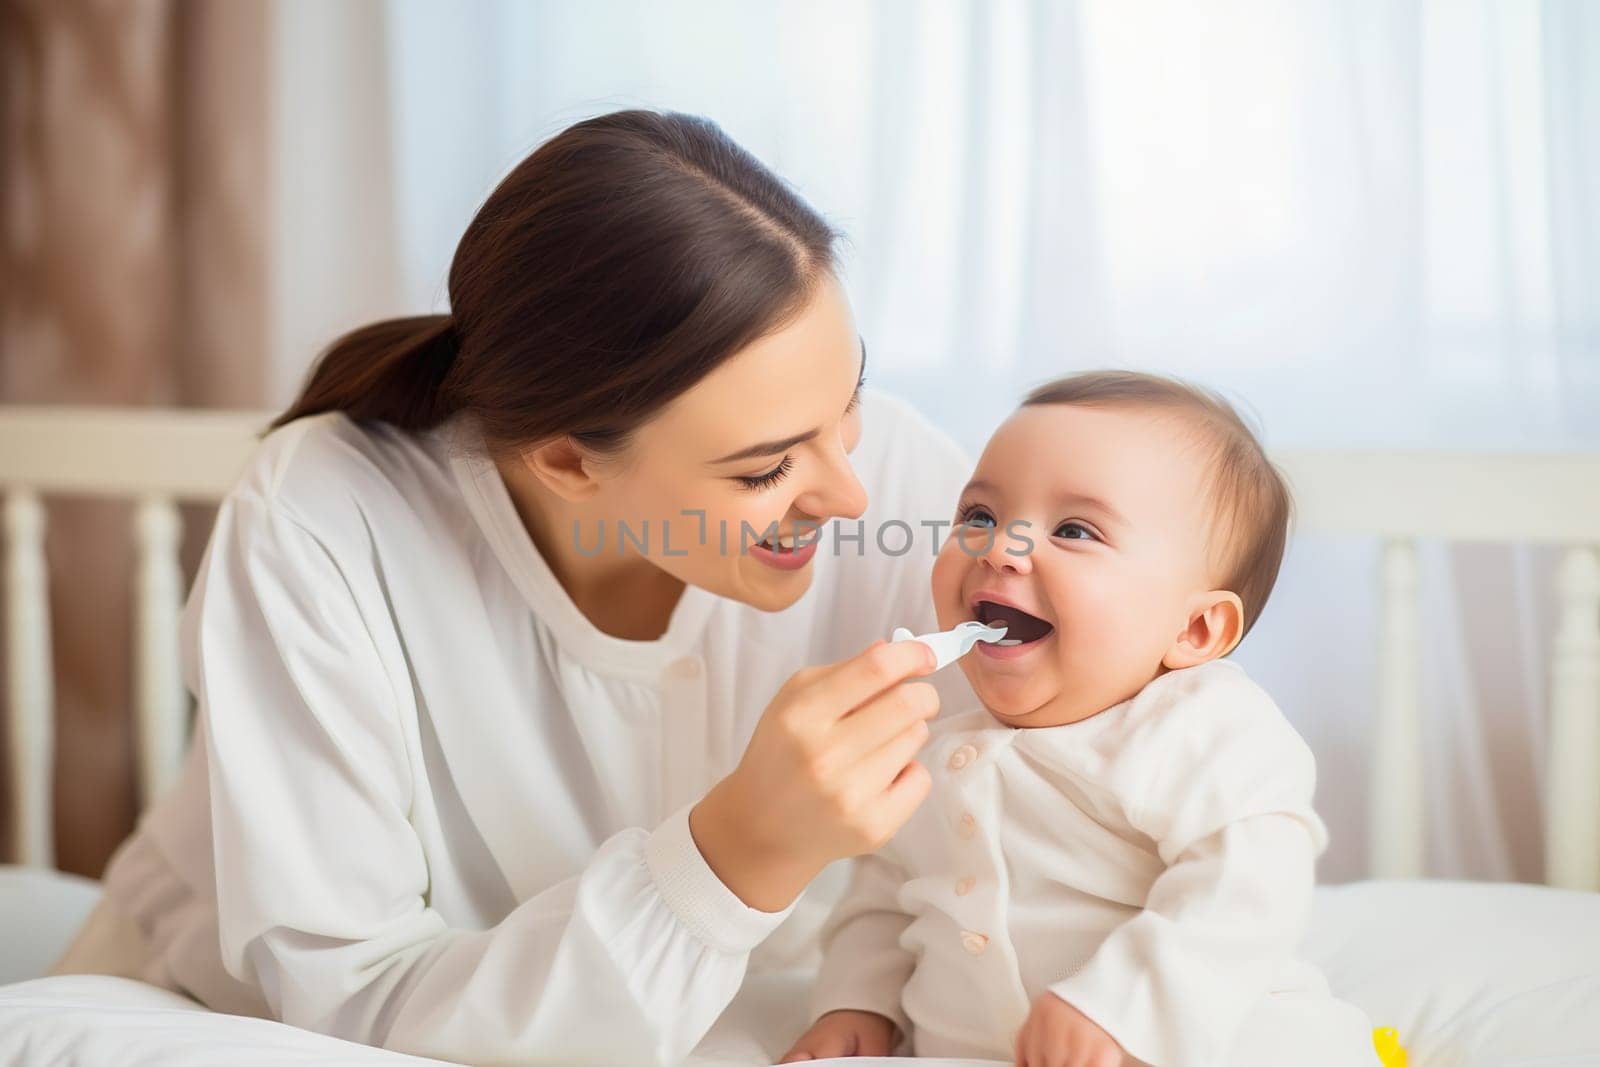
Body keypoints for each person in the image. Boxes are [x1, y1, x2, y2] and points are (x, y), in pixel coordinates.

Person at [50, 110, 974, 1066]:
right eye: (762, 471)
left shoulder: (902, 477)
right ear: (570, 460)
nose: (851, 493)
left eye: (851, 396)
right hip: (231, 1021)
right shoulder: (323, 520)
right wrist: (734, 856)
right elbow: (346, 1005)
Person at [783, 371, 1379, 1067]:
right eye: (979, 515)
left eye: (1074, 529)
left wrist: (1126, 1006)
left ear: (1194, 630)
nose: (1000, 547)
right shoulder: (937, 745)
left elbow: (1252, 878)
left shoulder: (1198, 725)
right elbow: (885, 900)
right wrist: (858, 1003)